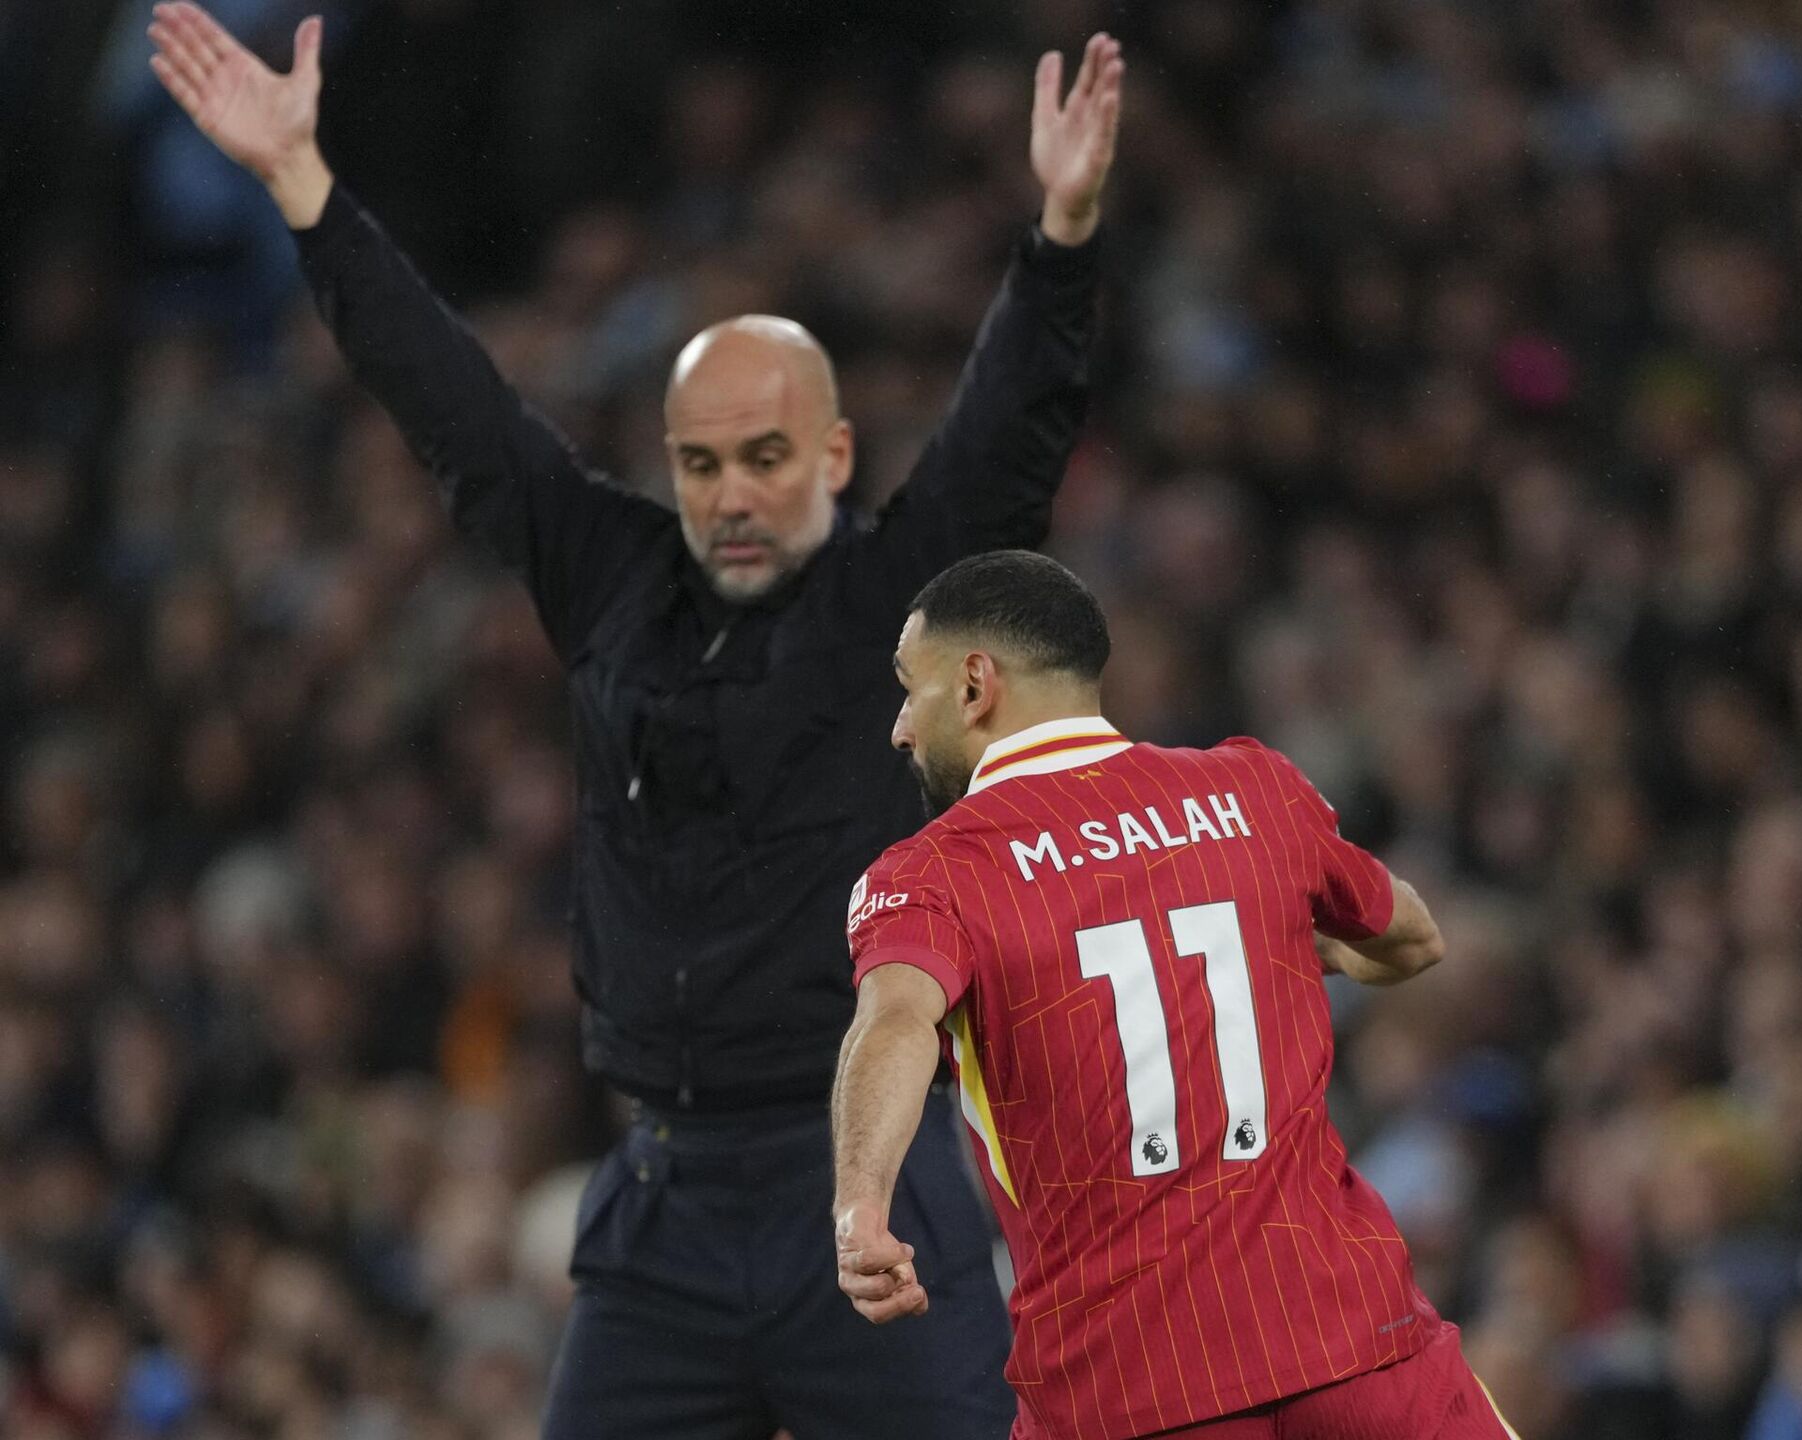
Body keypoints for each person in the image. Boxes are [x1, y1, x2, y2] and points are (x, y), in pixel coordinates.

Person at [146, 6, 1123, 1437]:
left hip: (863, 1181)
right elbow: (457, 411)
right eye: (702, 464)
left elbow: (1009, 432)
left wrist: (1064, 231)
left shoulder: (898, 603)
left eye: (767, 457)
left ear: (835, 455)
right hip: (663, 1207)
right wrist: (304, 187)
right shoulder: (610, 579)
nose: (732, 496)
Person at [833, 550, 1523, 1439]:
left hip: (1129, 1387)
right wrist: (1299, 948)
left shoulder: (933, 874)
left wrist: (861, 1205)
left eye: (908, 689)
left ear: (974, 685)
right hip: (1357, 1347)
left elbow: (895, 1019)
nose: (900, 729)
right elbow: (1415, 937)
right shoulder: (1252, 788)